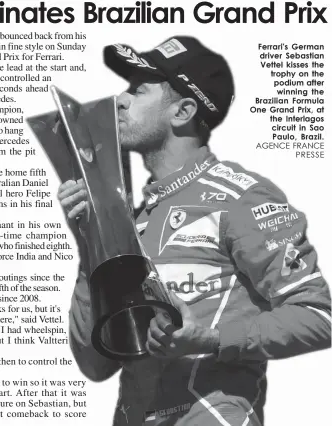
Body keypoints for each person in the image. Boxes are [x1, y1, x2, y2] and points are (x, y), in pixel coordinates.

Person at [58, 37, 331, 426]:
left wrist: (212, 339)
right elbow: (96, 365)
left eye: (138, 90)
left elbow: (318, 317)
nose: (119, 99)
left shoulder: (242, 197)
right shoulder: (133, 221)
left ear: (184, 110)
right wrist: (89, 248)